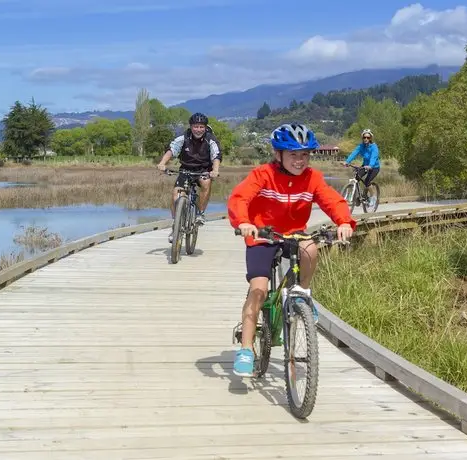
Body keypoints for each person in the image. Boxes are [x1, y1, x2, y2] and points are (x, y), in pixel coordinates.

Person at [227, 123, 356, 377]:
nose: (300, 160)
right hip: (263, 236)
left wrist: (344, 222)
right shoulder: (262, 175)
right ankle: (245, 349)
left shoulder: (313, 178)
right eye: (294, 154)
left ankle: (302, 294)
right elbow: (239, 197)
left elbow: (332, 200)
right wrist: (243, 222)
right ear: (279, 155)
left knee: (310, 247)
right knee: (259, 290)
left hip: (294, 234)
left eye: (305, 154)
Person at [157, 112, 222, 242]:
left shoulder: (211, 139)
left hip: (203, 170)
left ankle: (200, 214)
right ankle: (176, 225)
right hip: (186, 169)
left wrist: (215, 170)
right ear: (191, 127)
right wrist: (162, 163)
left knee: (206, 183)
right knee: (176, 194)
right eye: (195, 126)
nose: (198, 130)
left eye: (201, 127)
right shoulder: (183, 138)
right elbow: (171, 150)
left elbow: (216, 156)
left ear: (205, 127)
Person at [344, 128, 380, 196]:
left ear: (370, 138)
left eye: (368, 137)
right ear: (362, 138)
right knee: (357, 178)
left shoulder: (374, 147)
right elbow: (354, 153)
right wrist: (347, 162)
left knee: (367, 181)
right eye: (364, 137)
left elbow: (373, 157)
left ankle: (373, 197)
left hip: (374, 167)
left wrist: (370, 165)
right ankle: (356, 196)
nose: (366, 139)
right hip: (365, 165)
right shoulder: (361, 146)